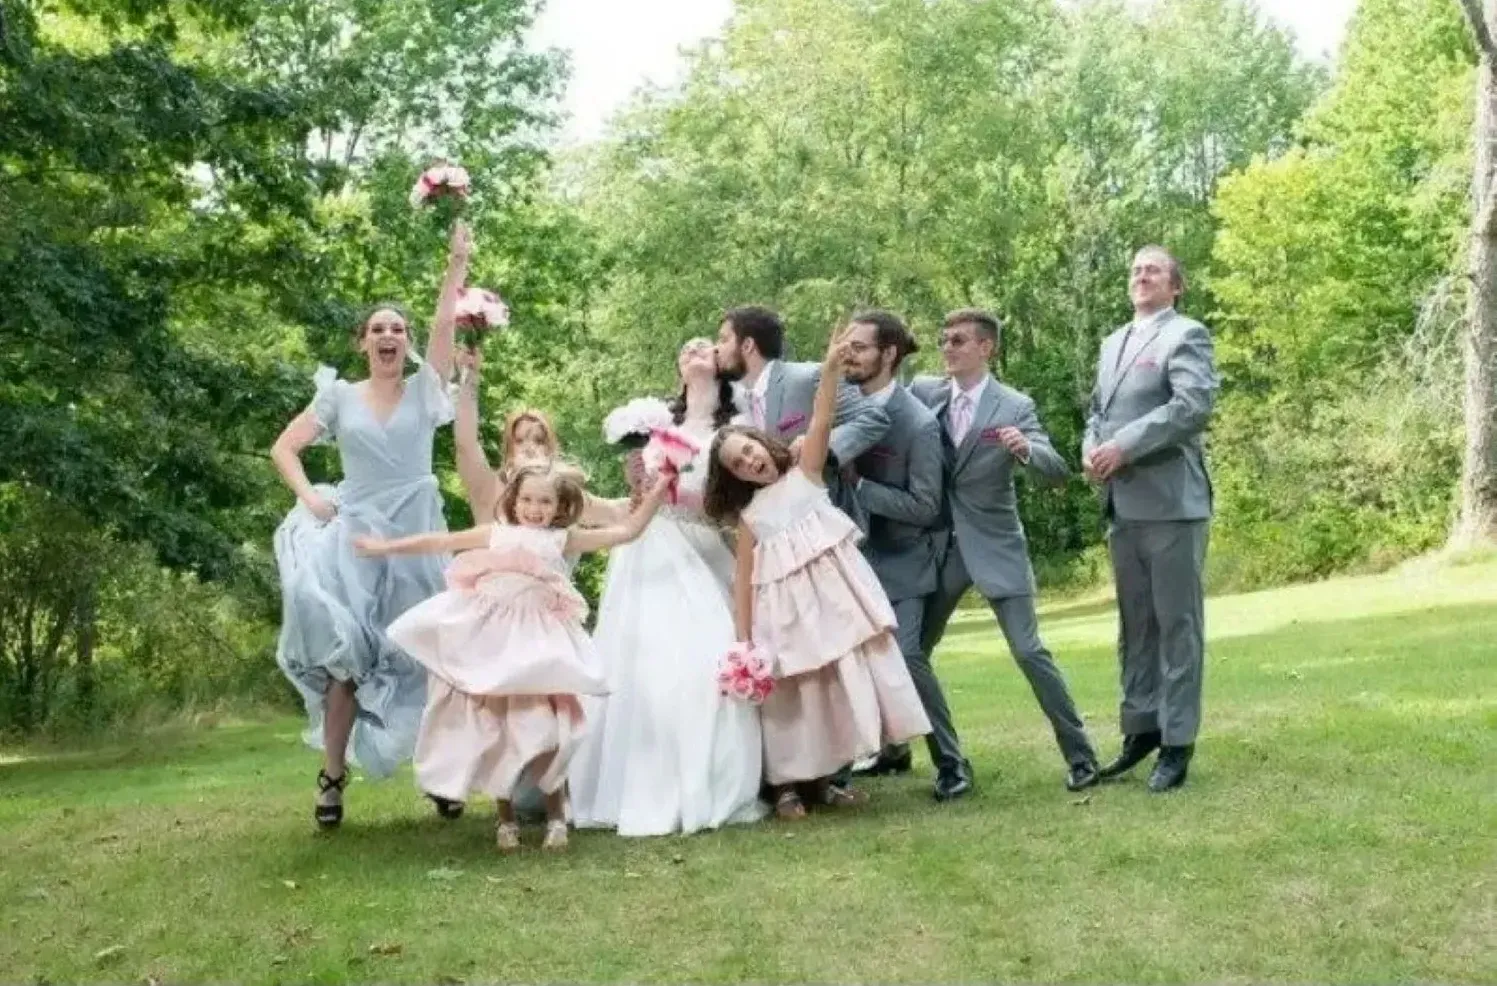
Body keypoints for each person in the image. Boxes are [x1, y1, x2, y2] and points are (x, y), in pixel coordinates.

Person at [356, 464, 673, 851]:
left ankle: (557, 815)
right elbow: (441, 541)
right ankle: (505, 820)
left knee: (546, 728)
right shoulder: (497, 533)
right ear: (513, 500)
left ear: (559, 506)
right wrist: (384, 547)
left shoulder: (562, 538)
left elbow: (625, 532)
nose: (534, 508)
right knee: (497, 727)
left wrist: (659, 492)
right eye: (527, 499)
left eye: (544, 501)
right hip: (492, 641)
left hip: (538, 644)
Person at [270, 221, 467, 827]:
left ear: (406, 343)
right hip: (355, 538)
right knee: (347, 660)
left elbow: (443, 327)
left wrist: (456, 262)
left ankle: (439, 776)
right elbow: (285, 448)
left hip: (415, 535)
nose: (388, 335)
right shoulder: (340, 397)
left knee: (425, 655)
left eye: (396, 329)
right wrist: (308, 497)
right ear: (362, 342)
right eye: (377, 328)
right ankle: (331, 779)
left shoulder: (425, 390)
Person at [704, 325, 931, 820]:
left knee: (833, 685)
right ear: (735, 477)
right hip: (783, 615)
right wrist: (745, 643)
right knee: (795, 695)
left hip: (833, 601)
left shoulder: (805, 470)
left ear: (763, 444)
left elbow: (824, 417)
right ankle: (786, 785)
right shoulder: (750, 517)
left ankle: (827, 779)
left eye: (751, 451)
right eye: (740, 465)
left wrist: (829, 370)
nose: (751, 463)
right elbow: (743, 581)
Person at [570, 338, 768, 836]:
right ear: (678, 367)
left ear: (722, 365)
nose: (696, 350)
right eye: (686, 348)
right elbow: (638, 499)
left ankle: (706, 780)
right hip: (646, 551)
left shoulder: (736, 428)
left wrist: (675, 489)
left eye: (707, 344)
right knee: (642, 664)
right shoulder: (658, 424)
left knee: (699, 661)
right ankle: (633, 783)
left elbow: (735, 505)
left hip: (703, 548)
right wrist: (640, 481)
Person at [911, 308, 1099, 795]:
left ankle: (1082, 757)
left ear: (985, 348)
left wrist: (1025, 450)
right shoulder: (924, 393)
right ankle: (949, 764)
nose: (947, 348)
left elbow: (1057, 470)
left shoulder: (1014, 405)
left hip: (995, 543)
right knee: (910, 653)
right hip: (937, 549)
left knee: (1029, 651)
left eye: (957, 341)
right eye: (943, 339)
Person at [1083, 246, 1218, 793]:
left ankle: (1177, 743)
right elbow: (1096, 409)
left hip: (1172, 505)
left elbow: (1192, 406)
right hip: (1123, 506)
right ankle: (1141, 730)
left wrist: (1125, 445)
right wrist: (1093, 448)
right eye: (1136, 269)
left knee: (1176, 626)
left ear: (1175, 286)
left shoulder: (1186, 335)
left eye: (1154, 270)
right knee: (1135, 627)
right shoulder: (1113, 342)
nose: (1142, 276)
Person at [838, 311, 965, 802]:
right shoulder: (841, 406)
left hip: (905, 560)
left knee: (910, 657)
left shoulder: (916, 424)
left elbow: (925, 505)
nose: (849, 356)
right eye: (846, 347)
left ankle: (953, 763)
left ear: (889, 355)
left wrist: (861, 485)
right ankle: (886, 753)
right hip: (848, 561)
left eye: (860, 348)